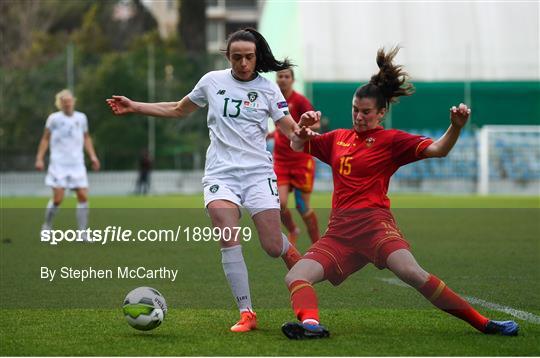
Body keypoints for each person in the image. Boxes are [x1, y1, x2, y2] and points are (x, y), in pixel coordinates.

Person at [281, 47, 519, 339]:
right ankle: (311, 326)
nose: (359, 116)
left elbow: (438, 149)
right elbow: (296, 145)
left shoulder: (391, 140)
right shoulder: (337, 139)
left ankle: (484, 323)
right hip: (340, 233)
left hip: (375, 227)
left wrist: (455, 128)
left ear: (382, 112)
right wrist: (301, 131)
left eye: (366, 112)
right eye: (355, 109)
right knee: (296, 275)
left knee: (413, 274)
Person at [106, 28, 317, 333]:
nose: (243, 63)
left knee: (271, 246)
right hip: (221, 173)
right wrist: (135, 106)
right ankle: (247, 312)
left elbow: (289, 131)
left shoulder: (269, 90)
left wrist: (303, 129)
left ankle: (291, 255)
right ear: (228, 57)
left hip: (258, 174)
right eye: (236, 57)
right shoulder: (212, 82)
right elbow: (179, 109)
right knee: (226, 229)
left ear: (257, 57)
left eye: (248, 57)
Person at [36, 89, 100, 241]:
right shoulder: (54, 119)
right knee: (58, 198)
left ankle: (83, 233)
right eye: (64, 102)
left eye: (70, 101)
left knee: (83, 196)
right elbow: (45, 139)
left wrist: (93, 156)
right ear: (60, 104)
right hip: (59, 164)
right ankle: (47, 227)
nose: (67, 104)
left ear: (73, 101)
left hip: (77, 163)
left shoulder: (81, 118)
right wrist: (39, 158)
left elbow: (86, 138)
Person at [273, 68, 320, 246]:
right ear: (276, 79)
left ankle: (317, 243)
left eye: (287, 76)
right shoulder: (273, 99)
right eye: (280, 76)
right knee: (279, 204)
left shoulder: (300, 101)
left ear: (292, 80)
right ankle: (293, 229)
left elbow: (315, 124)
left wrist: (301, 129)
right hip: (281, 161)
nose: (283, 79)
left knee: (302, 206)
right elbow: (278, 126)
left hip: (300, 160)